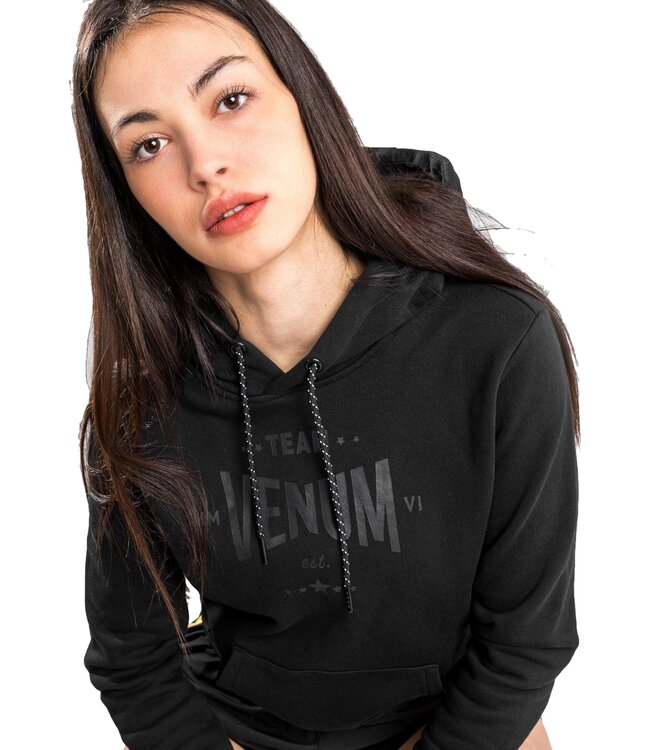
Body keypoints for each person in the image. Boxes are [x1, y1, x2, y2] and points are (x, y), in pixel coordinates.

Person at [73, 2, 580, 749]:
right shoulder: (141, 390)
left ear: (303, 96)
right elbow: (133, 658)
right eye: (149, 144)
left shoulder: (495, 337)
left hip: (454, 725)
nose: (204, 164)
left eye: (231, 99)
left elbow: (525, 642)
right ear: (126, 191)